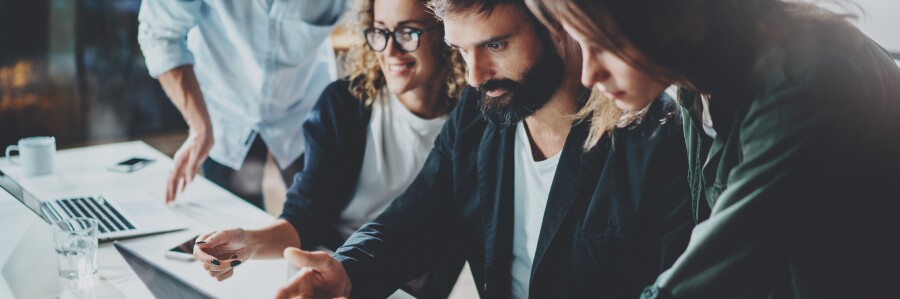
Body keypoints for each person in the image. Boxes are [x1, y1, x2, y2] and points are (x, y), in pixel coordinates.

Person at [272, 0, 694, 298]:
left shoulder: (657, 136)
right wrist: (347, 272)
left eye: (495, 45)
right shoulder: (480, 113)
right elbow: (416, 218)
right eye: (460, 50)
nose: (475, 76)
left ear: (557, 23)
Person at [525, 0, 900, 298]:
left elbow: (726, 265)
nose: (589, 74)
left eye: (604, 46)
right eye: (581, 45)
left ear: (664, 17)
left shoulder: (802, 81)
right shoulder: (698, 81)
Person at [189, 0, 467, 297]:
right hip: (322, 275)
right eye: (380, 31)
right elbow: (305, 216)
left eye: (408, 32)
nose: (389, 50)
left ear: (447, 33)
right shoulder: (343, 105)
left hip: (408, 287)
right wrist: (248, 243)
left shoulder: (471, 127)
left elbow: (437, 235)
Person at [138, 0, 345, 208]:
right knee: (229, 227)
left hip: (305, 104)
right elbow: (160, 35)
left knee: (323, 216)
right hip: (224, 112)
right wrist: (199, 125)